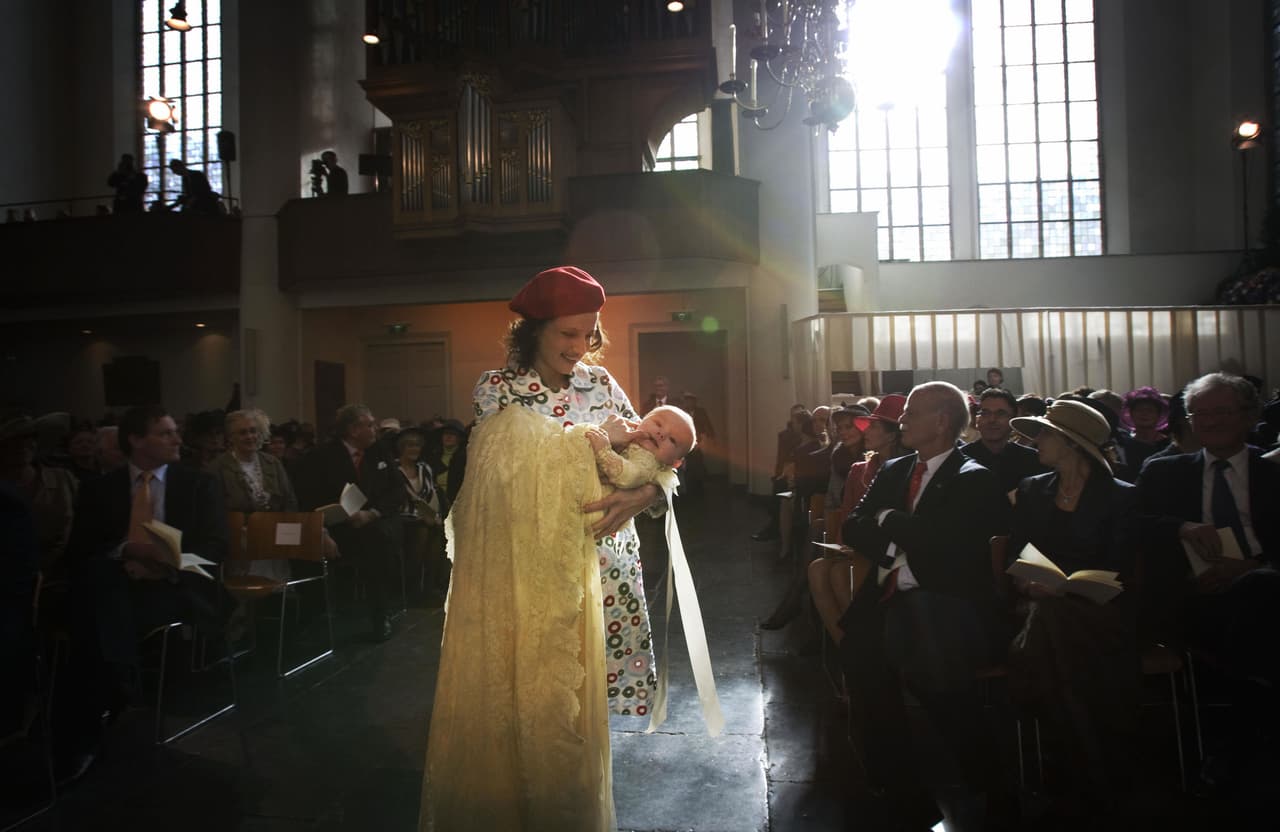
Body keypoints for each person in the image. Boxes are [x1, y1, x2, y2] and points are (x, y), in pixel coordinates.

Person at [421, 266, 684, 831]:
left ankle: (574, 810)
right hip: (530, 572)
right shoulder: (499, 389)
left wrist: (638, 495)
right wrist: (590, 446)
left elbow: (656, 458)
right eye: (566, 333)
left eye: (588, 333)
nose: (578, 346)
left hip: (604, 564)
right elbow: (498, 478)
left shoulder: (603, 385)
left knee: (582, 712)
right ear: (533, 330)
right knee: (533, 701)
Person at [838, 382, 1012, 830]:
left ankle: (989, 784)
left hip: (947, 604)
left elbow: (944, 545)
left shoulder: (974, 477)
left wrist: (890, 520)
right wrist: (898, 540)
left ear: (940, 422)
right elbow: (852, 525)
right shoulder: (895, 469)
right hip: (889, 595)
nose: (902, 421)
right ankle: (901, 788)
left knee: (938, 681)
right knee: (864, 664)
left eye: (912, 413)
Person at [58, 405, 230, 781]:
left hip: (175, 587)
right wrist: (127, 550)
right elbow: (80, 551)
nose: (177, 439)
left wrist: (168, 561)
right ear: (136, 440)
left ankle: (96, 714)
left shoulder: (198, 485)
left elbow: (215, 550)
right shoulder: (101, 489)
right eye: (165, 433)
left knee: (97, 630)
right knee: (103, 604)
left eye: (175, 432)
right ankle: (111, 698)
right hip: (117, 585)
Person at [1136, 373, 1280, 797]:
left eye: (1223, 412)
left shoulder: (1273, 473)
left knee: (1260, 592)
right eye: (1201, 413)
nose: (1212, 421)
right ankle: (1252, 734)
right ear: (1188, 420)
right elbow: (1132, 525)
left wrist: (1250, 567)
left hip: (1261, 593)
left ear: (1249, 416)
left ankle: (1231, 741)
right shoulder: (1164, 471)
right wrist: (1180, 525)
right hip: (1190, 598)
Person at [1006, 400, 1141, 820]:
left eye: (1044, 434)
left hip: (1103, 612)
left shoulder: (1121, 497)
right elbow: (1018, 553)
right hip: (1039, 607)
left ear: (1070, 443)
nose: (1035, 442)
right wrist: (1029, 581)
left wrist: (1067, 591)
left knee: (1054, 625)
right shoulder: (1033, 489)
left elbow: (1125, 569)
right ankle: (1097, 780)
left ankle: (1064, 765)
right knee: (1053, 624)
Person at [294, 404, 403, 641]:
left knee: (380, 543)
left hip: (372, 523)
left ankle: (379, 615)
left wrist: (372, 513)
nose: (375, 429)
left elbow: (397, 490)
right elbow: (308, 497)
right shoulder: (321, 456)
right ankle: (313, 619)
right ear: (354, 430)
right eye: (370, 424)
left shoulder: (379, 452)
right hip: (334, 527)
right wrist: (323, 529)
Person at [810, 394, 906, 644]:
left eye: (874, 426)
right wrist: (845, 545)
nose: (866, 430)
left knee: (841, 574)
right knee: (818, 569)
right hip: (859, 546)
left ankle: (862, 644)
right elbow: (849, 514)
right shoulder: (859, 469)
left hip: (887, 553)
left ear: (892, 434)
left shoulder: (908, 469)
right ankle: (847, 646)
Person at [208, 408, 302, 582]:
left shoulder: (272, 462)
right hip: (240, 547)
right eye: (243, 432)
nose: (250, 436)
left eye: (253, 431)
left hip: (275, 544)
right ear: (230, 437)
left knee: (275, 597)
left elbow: (289, 501)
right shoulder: (217, 468)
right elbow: (213, 512)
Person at [960, 387, 1047, 494]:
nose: (992, 420)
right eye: (985, 413)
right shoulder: (960, 459)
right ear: (978, 419)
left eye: (1000, 414)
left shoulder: (1033, 460)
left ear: (1013, 419)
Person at [394, 429, 446, 604]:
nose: (414, 449)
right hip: (402, 517)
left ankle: (430, 588)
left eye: (417, 445)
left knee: (437, 533)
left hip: (426, 515)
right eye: (409, 445)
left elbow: (431, 494)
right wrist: (422, 516)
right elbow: (397, 499)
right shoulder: (394, 470)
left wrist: (434, 516)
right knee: (422, 531)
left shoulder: (425, 469)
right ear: (401, 448)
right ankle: (413, 590)